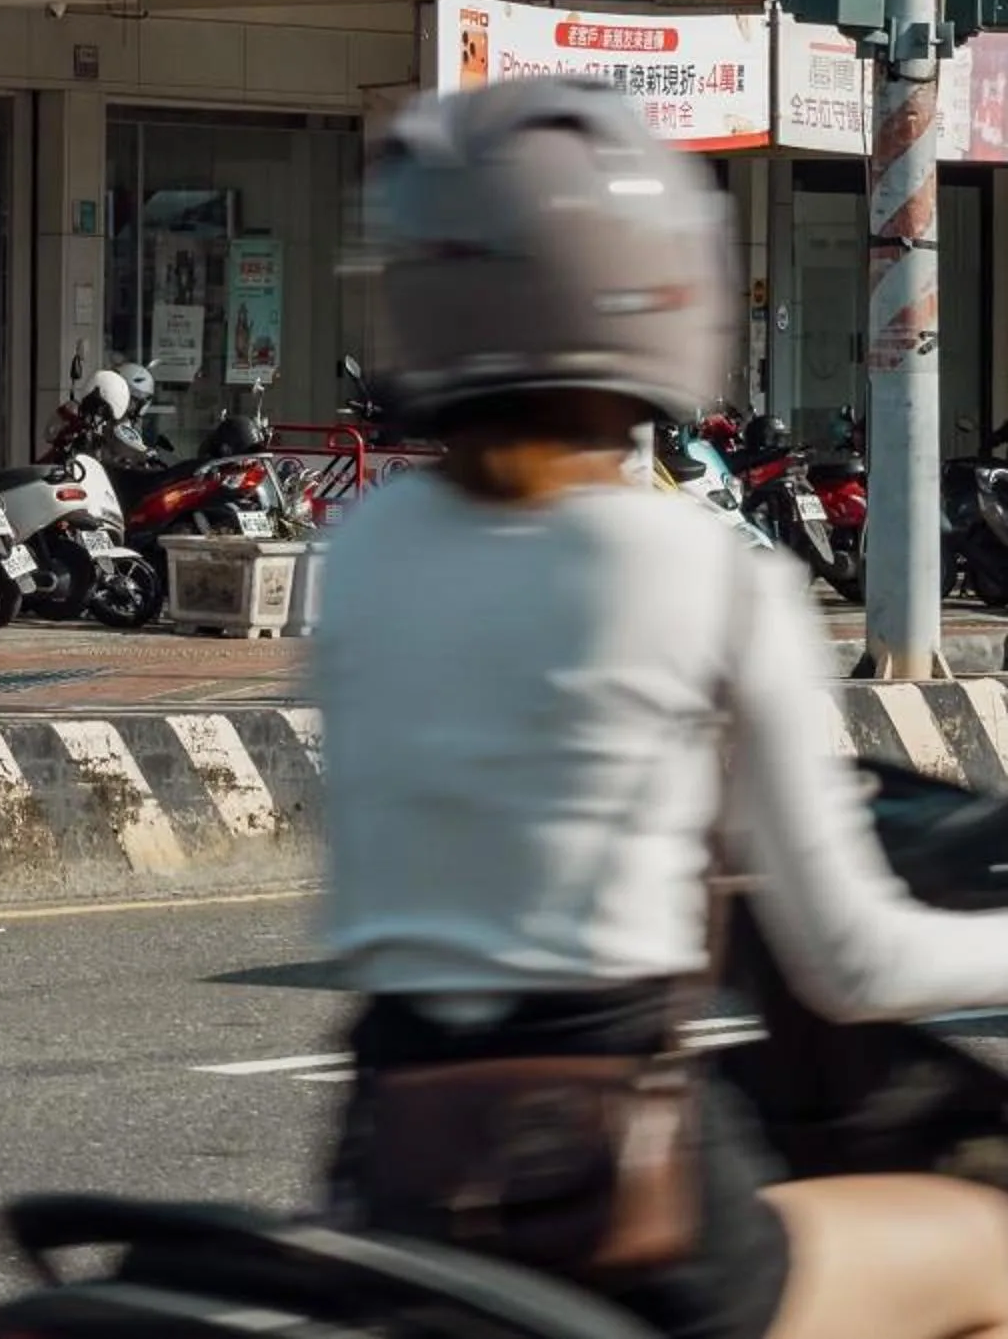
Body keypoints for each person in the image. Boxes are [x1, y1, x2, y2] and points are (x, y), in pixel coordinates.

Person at [313, 74, 1008, 1339]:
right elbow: (856, 964)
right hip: (619, 1206)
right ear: (656, 287)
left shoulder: (363, 547)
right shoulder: (703, 571)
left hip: (389, 1180)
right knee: (986, 1250)